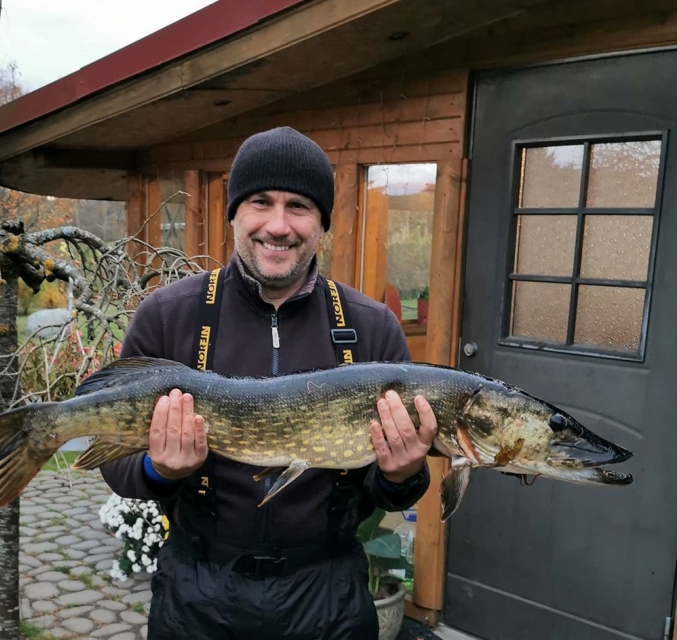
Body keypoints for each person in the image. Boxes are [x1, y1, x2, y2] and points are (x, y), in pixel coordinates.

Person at [99, 126, 437, 640]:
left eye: (299, 206)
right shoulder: (167, 316)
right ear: (234, 213)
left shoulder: (372, 327)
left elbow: (386, 493)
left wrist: (402, 473)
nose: (278, 226)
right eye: (261, 202)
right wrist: (158, 469)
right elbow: (114, 460)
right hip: (198, 593)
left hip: (329, 598)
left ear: (321, 222)